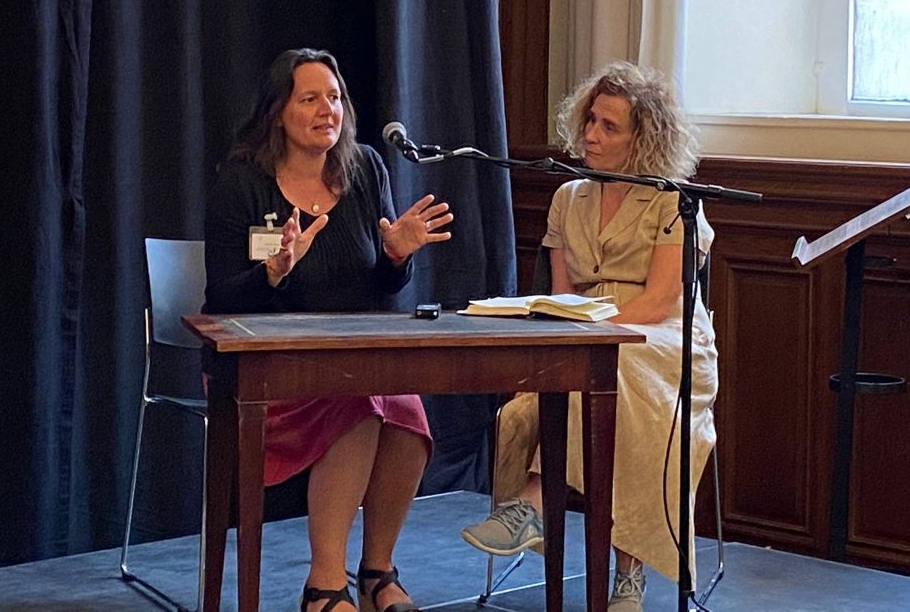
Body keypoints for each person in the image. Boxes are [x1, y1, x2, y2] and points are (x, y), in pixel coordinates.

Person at [459, 61, 717, 612]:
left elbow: (660, 300)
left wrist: (594, 330)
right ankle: (609, 564)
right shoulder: (568, 197)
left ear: (642, 139)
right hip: (586, 328)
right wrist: (575, 329)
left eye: (609, 126)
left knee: (613, 376)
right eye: (591, 121)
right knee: (588, 373)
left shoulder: (673, 201)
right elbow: (562, 295)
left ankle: (548, 514)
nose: (592, 135)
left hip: (662, 337)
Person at [204, 48, 453, 612]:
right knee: (357, 406)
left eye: (335, 98)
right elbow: (220, 300)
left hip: (351, 358)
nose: (327, 110)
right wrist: (273, 273)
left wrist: (396, 256)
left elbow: (382, 287)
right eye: (310, 98)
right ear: (278, 112)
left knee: (407, 415)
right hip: (266, 370)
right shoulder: (241, 184)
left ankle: (377, 572)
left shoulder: (365, 169)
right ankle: (323, 585)